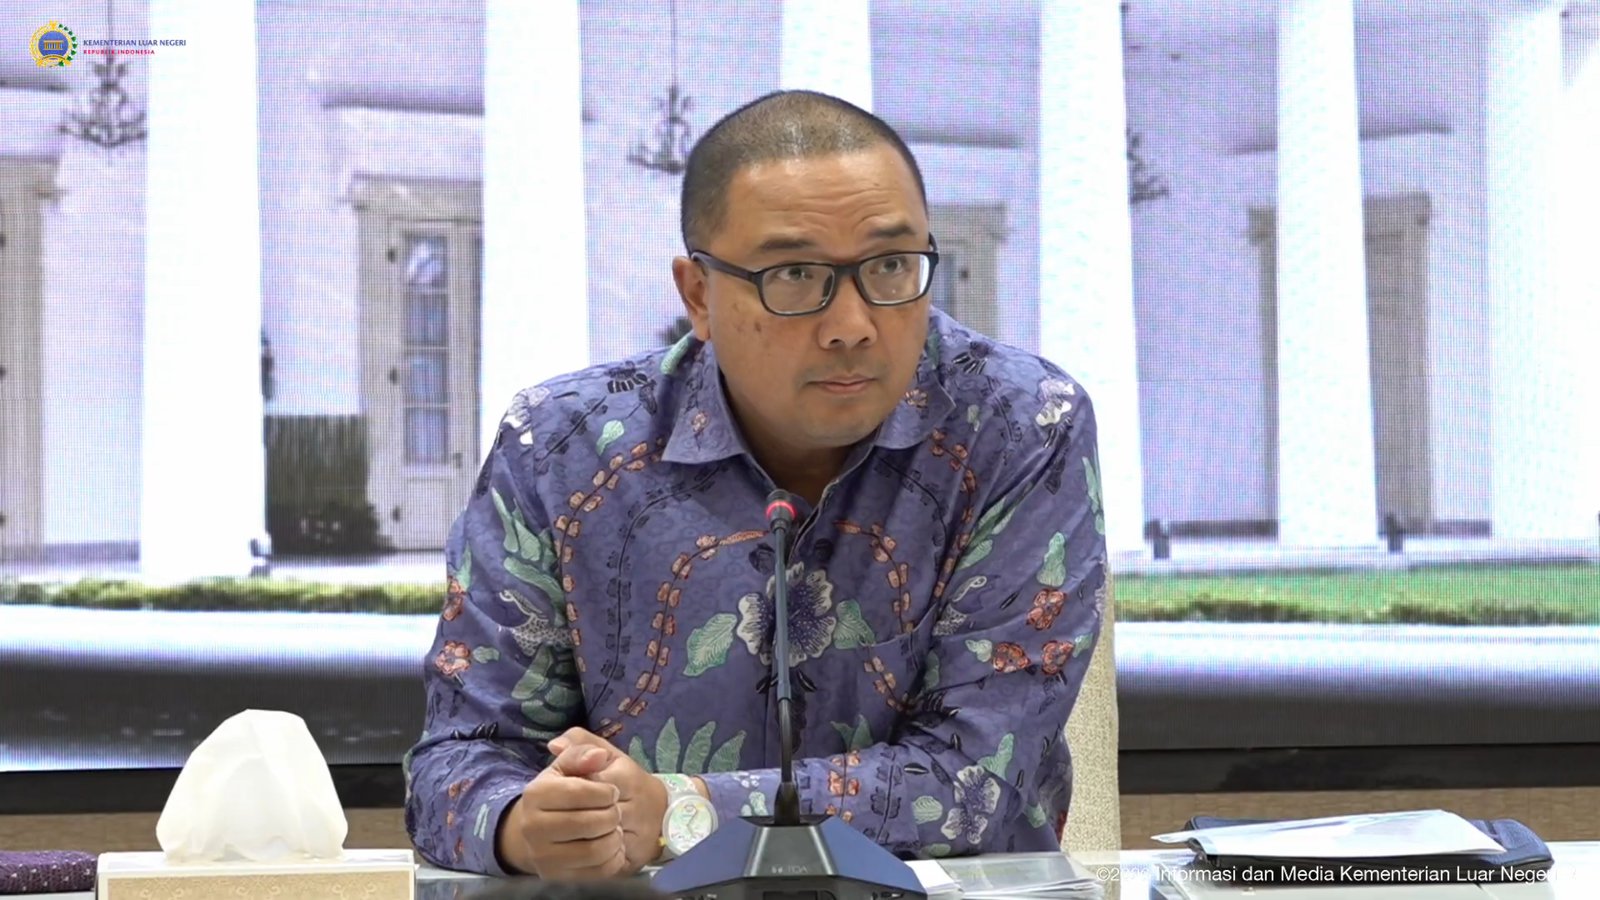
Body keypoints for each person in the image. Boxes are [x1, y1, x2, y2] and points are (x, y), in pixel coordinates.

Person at [405, 90, 1107, 879]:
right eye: (796, 275)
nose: (853, 325)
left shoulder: (1017, 423)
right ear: (698, 295)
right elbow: (456, 763)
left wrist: (680, 811)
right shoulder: (562, 446)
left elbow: (976, 782)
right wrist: (524, 823)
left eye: (889, 266)